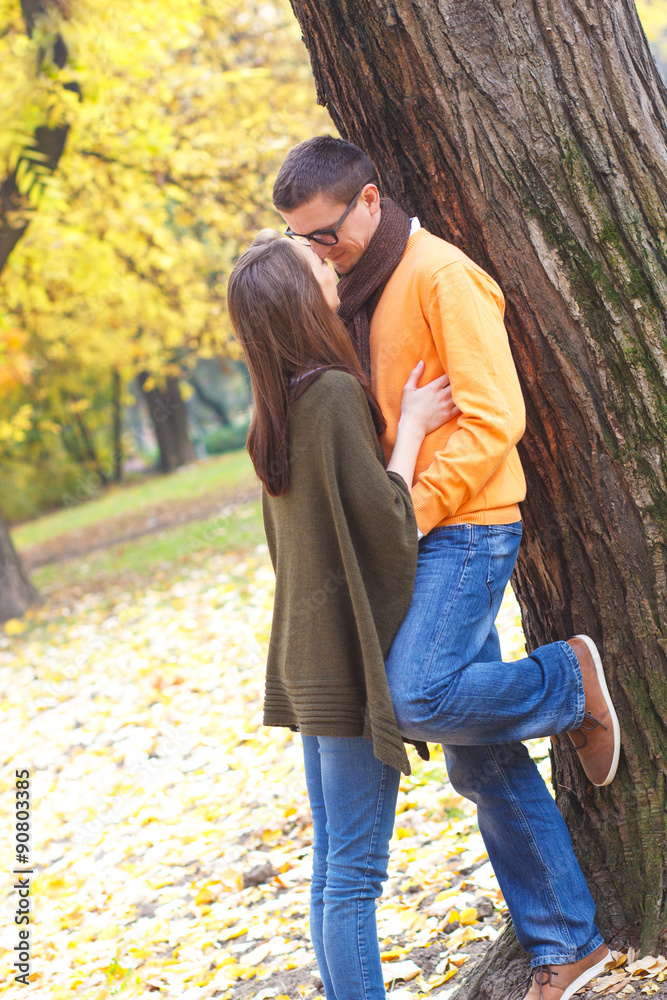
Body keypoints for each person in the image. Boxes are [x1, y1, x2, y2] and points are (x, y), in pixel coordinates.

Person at [272, 135, 621, 1000]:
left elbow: (494, 417)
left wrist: (409, 509)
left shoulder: (438, 276)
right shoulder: (358, 290)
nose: (319, 251)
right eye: (302, 241)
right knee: (480, 754)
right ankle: (567, 943)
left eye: (325, 233)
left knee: (414, 698)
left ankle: (566, 683)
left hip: (464, 528)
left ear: (368, 200)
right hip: (411, 537)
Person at [227, 229, 460, 1000]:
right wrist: (416, 427)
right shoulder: (327, 394)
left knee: (335, 871)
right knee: (354, 875)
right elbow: (388, 528)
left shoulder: (278, 409)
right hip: (342, 665)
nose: (328, 268)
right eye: (312, 267)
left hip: (306, 660)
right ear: (297, 301)